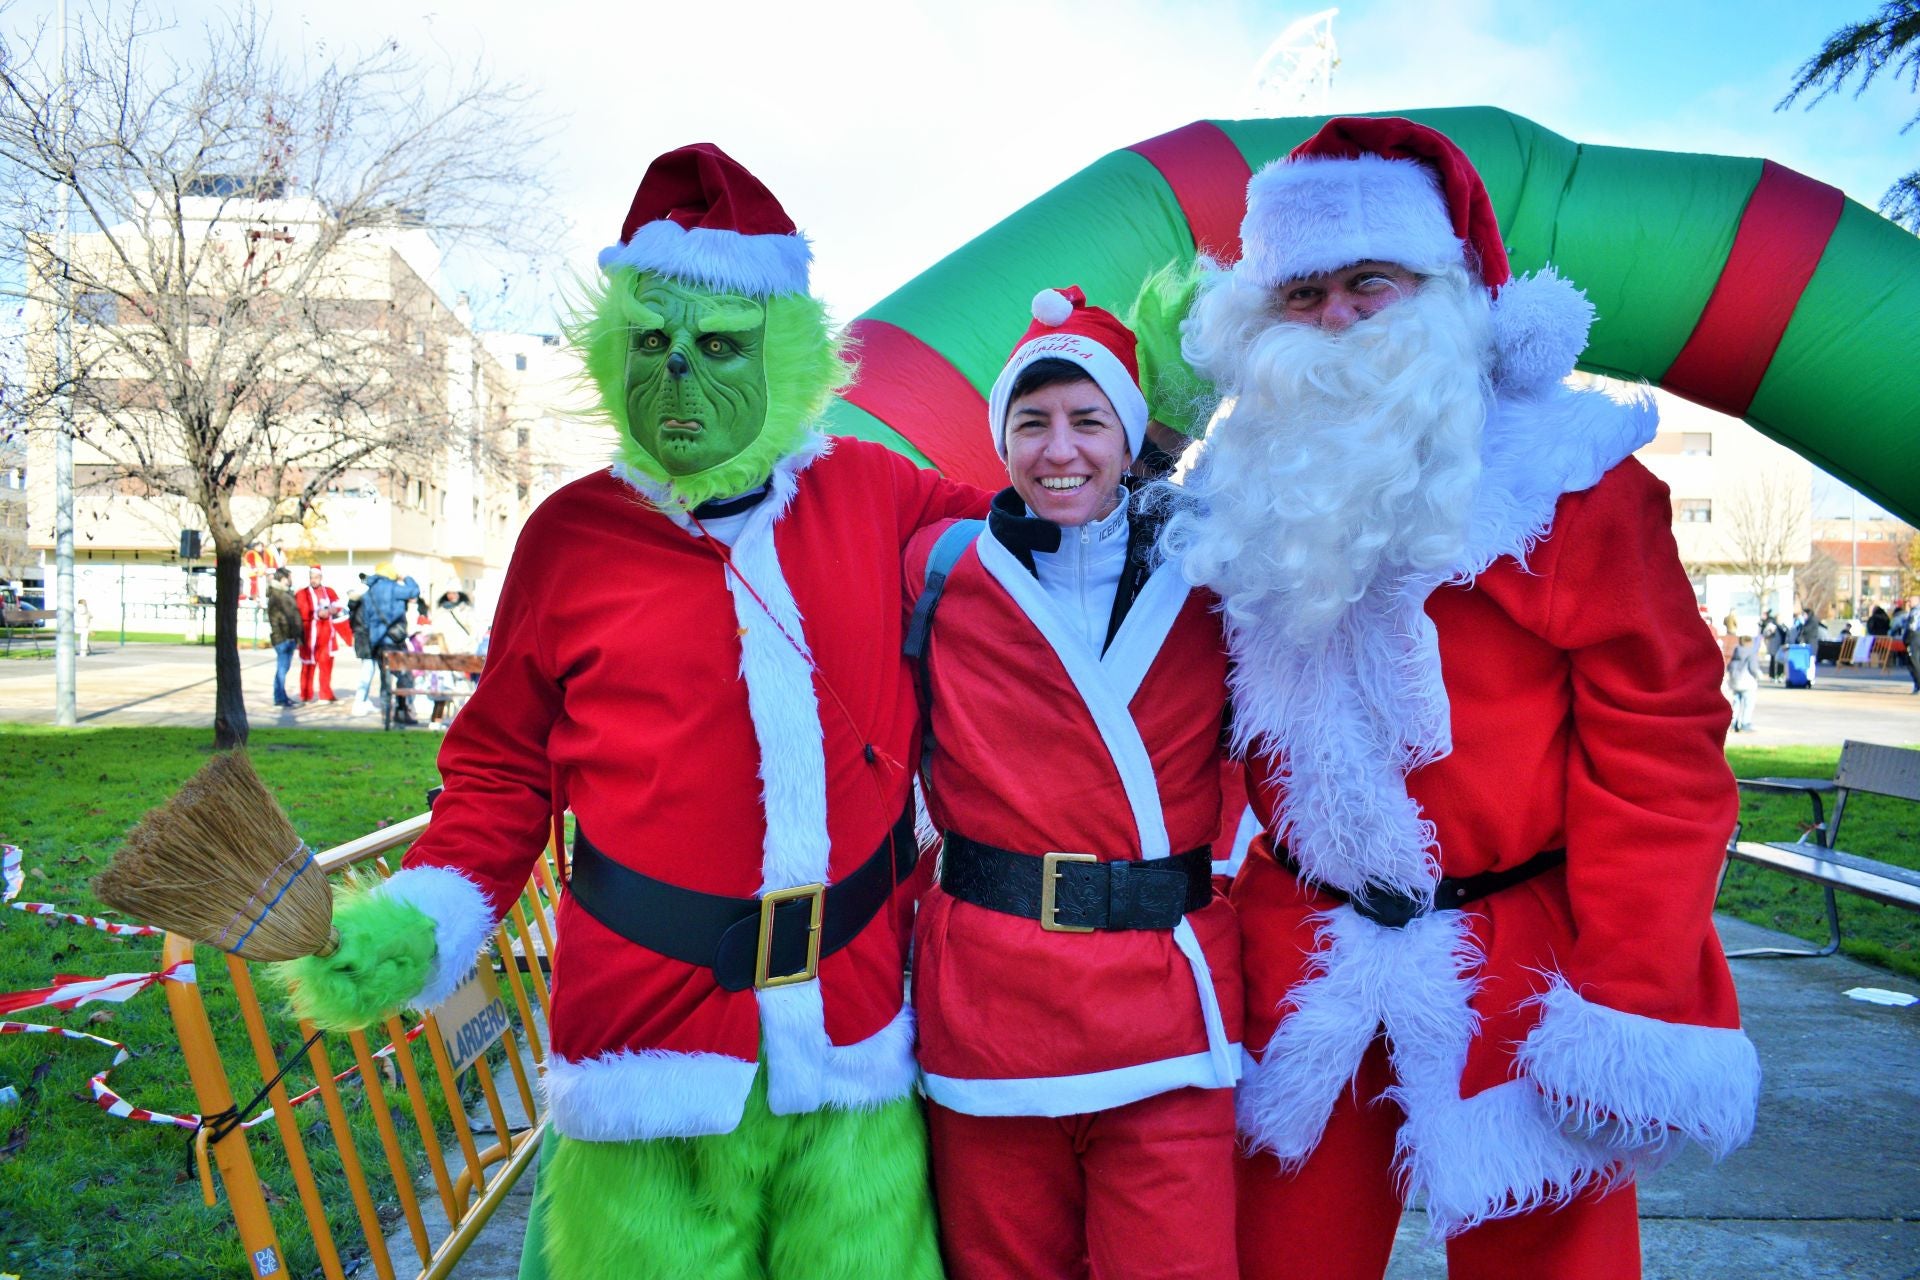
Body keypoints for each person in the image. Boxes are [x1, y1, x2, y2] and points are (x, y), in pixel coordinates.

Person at [277, 143, 985, 1280]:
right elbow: (504, 769)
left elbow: (1050, 535)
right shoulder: (568, 534)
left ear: (789, 353)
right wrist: (422, 916)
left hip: (853, 1040)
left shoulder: (878, 492)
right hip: (645, 1045)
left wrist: (1151, 418)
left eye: (719, 349)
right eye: (652, 346)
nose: (681, 382)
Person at [1155, 118, 1759, 1279]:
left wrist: (1626, 991)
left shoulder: (1573, 490)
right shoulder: (1236, 496)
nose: (1335, 317)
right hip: (1300, 958)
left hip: (1526, 967)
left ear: (1448, 290)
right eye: (1303, 292)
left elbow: (1663, 757)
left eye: (1369, 282)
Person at [907, 289, 1242, 1280]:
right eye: (1033, 421)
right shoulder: (938, 569)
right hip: (988, 1016)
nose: (1062, 448)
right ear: (1000, 440)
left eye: (1089, 420)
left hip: (1167, 1013)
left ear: (1131, 436)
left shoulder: (1217, 572)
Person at [360, 562, 421, 724]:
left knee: (385, 679)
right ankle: (401, 711)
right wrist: (406, 577)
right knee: (404, 676)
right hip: (395, 641)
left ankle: (386, 714)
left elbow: (365, 621)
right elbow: (415, 591)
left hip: (379, 643)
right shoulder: (394, 588)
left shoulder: (369, 594)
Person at [295, 564, 344, 702]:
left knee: (326, 666)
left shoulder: (329, 591)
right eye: (311, 578)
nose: (314, 580)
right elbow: (302, 611)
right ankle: (305, 694)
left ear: (321, 577)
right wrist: (318, 613)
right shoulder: (302, 593)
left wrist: (332, 610)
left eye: (316, 577)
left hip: (327, 636)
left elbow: (338, 605)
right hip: (310, 636)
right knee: (308, 666)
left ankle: (326, 694)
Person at [266, 569, 301, 708]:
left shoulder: (283, 594)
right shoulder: (278, 595)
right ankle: (279, 698)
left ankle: (281, 696)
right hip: (284, 638)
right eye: (289, 577)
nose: (291, 579)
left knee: (283, 669)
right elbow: (281, 618)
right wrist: (287, 636)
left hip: (287, 637)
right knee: (282, 669)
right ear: (283, 578)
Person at [1727, 635, 1763, 732]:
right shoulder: (1751, 653)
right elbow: (1753, 668)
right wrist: (1759, 676)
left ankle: (1733, 723)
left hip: (1735, 681)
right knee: (1748, 703)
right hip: (1747, 682)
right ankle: (1745, 723)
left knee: (1736, 702)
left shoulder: (1736, 653)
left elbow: (1729, 667)